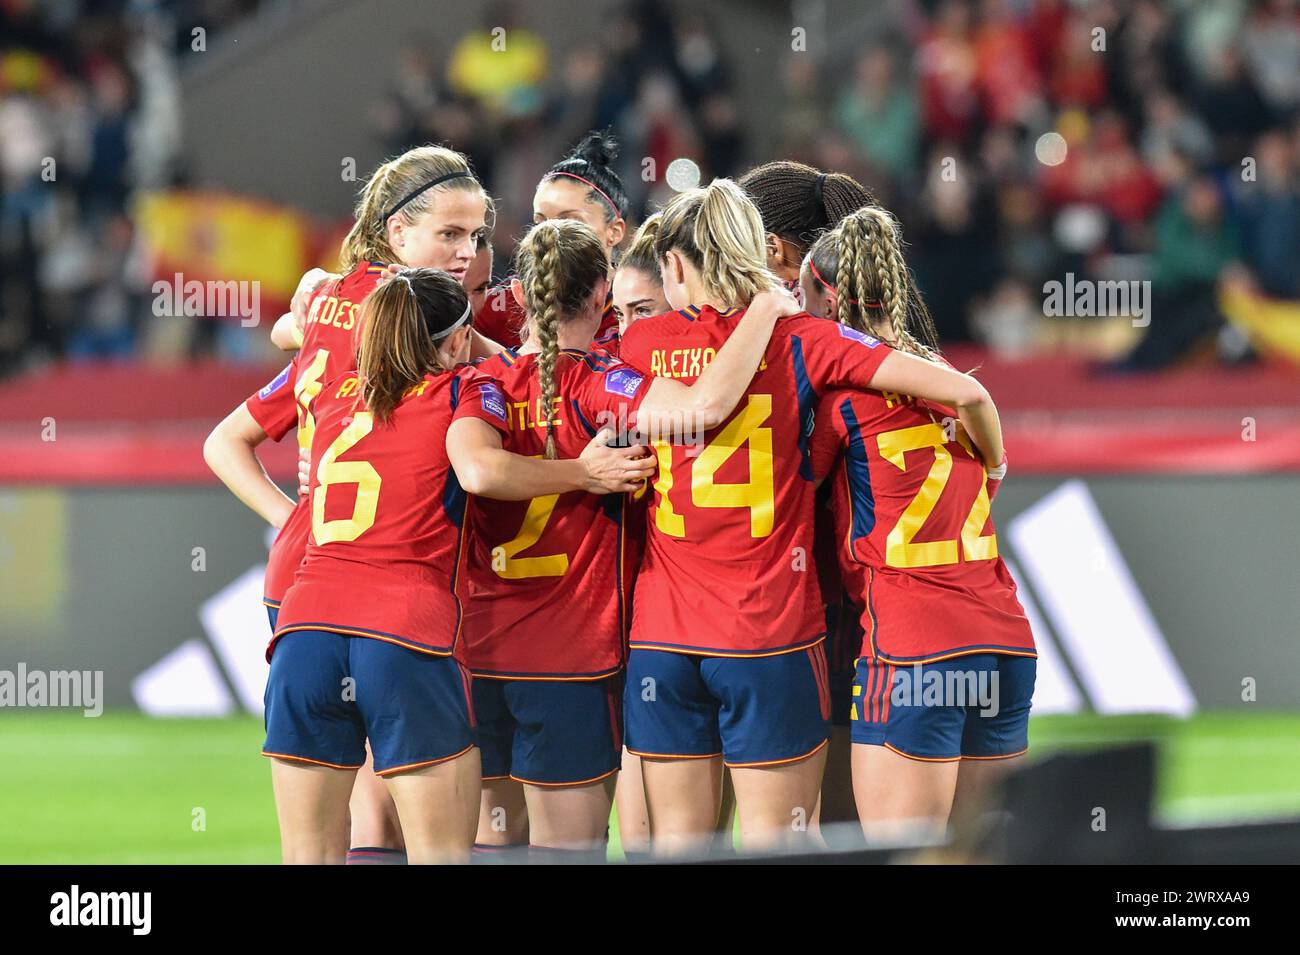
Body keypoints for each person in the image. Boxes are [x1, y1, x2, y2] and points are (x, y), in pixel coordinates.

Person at [266, 268, 651, 864]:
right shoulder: (461, 389)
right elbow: (481, 470)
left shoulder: (333, 393)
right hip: (404, 633)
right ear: (453, 343)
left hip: (303, 631)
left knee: (307, 855)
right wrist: (583, 472)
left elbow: (298, 334)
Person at [462, 218, 798, 859]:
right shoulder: (605, 383)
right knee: (570, 850)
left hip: (479, 651)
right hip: (572, 657)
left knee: (491, 845)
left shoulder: (481, 384)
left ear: (523, 298)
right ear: (599, 299)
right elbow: (702, 408)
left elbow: (477, 472)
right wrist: (765, 310)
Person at [206, 144, 499, 863]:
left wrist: (293, 520)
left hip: (310, 585)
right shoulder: (429, 333)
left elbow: (234, 426)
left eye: (479, 236)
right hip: (392, 588)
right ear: (397, 233)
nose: (467, 252)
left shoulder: (333, 301)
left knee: (350, 820)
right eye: (451, 234)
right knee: (426, 812)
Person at [800, 206, 1034, 839]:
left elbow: (792, 489)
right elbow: (976, 411)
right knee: (986, 854)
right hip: (1002, 639)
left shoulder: (842, 399)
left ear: (828, 299)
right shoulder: (943, 375)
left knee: (900, 856)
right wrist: (996, 465)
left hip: (911, 648)